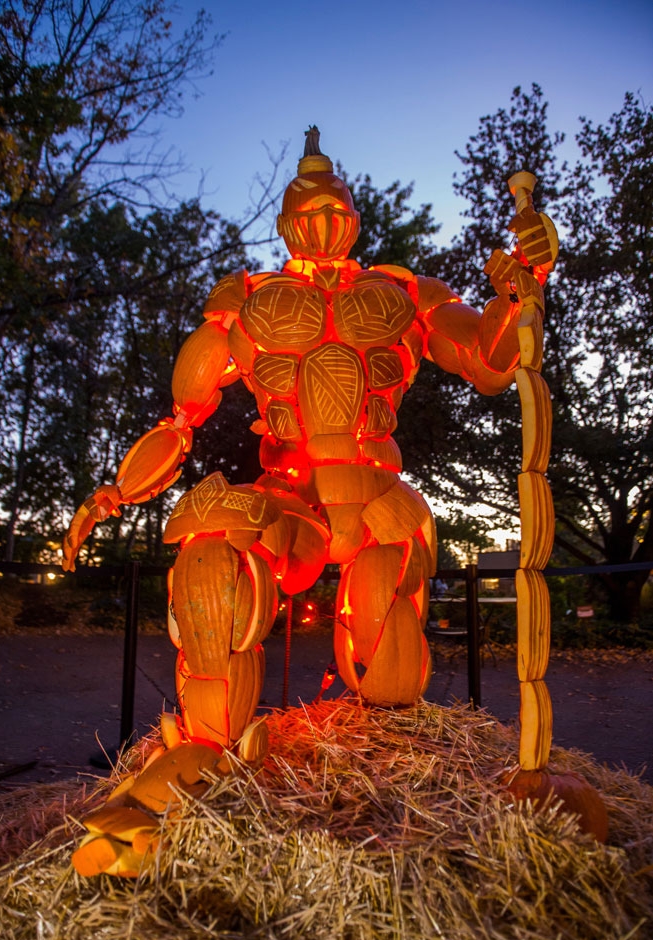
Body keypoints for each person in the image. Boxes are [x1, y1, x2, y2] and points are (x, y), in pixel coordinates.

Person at [64, 127, 556, 875]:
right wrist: (117, 492)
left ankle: (387, 748)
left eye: (335, 207)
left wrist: (517, 291)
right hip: (287, 499)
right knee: (210, 545)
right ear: (285, 219)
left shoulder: (403, 293)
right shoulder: (248, 304)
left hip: (376, 495)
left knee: (386, 669)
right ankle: (205, 744)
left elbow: (490, 361)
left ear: (354, 215)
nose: (322, 221)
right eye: (307, 206)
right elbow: (182, 418)